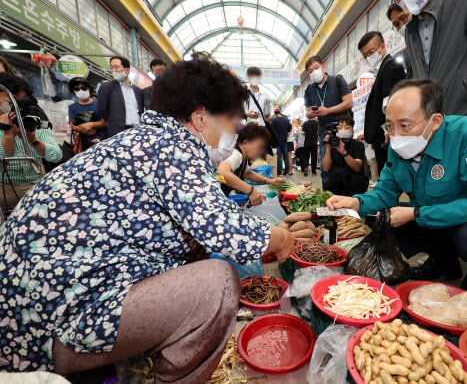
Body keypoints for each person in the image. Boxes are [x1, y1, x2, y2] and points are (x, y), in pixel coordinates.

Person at [0, 53, 295, 381]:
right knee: (218, 284)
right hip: (40, 332)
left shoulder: (147, 140)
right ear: (200, 118)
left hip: (43, 308)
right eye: (231, 122)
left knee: (196, 246)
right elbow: (225, 230)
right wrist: (280, 237)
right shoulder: (172, 149)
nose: (232, 134)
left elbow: (207, 217)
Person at [326, 79, 467, 300]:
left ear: (435, 121)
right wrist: (355, 203)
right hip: (437, 217)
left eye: (404, 125)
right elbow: (384, 193)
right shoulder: (398, 147)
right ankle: (445, 263)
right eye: (390, 125)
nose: (396, 135)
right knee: (380, 220)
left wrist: (416, 213)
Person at [0, 73, 63, 211]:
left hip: (35, 186)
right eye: (13, 99)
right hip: (3, 189)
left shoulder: (36, 123)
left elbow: (56, 156)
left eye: (24, 99)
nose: (18, 104)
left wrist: (33, 140)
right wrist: (8, 135)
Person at [358, 31, 406, 173]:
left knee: (389, 176)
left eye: (371, 52)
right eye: (365, 55)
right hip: (381, 137)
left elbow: (392, 101)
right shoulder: (381, 69)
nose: (368, 57)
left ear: (383, 47)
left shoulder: (391, 66)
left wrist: (388, 129)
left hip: (387, 137)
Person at [303, 56, 353, 187]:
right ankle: (327, 194)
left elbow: (348, 102)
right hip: (324, 130)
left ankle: (349, 194)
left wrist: (328, 110)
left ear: (323, 66)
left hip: (342, 129)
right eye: (310, 71)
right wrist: (312, 113)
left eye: (316, 68)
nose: (314, 72)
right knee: (326, 165)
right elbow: (307, 113)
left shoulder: (338, 80)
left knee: (346, 160)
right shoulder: (309, 90)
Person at [217, 122, 285, 205]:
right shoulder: (236, 154)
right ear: (246, 143)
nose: (262, 152)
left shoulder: (243, 158)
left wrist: (270, 181)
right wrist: (250, 190)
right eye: (260, 147)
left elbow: (248, 173)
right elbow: (221, 173)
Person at [97, 56, 144, 137]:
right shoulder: (106, 86)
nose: (113, 71)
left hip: (137, 131)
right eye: (111, 68)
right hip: (117, 132)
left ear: (127, 70)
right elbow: (102, 109)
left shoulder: (138, 91)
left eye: (116, 67)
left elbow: (141, 110)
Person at [322, 115, 368, 196]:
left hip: (355, 185)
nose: (343, 130)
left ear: (352, 131)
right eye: (339, 127)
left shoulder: (358, 145)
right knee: (330, 182)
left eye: (347, 127)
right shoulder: (332, 144)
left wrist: (344, 152)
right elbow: (326, 168)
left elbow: (357, 168)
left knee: (356, 180)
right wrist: (328, 148)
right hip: (336, 184)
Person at [67, 77, 107, 152]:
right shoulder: (72, 107)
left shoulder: (99, 104)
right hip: (83, 143)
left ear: (89, 89)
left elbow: (104, 122)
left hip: (101, 141)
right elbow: (72, 125)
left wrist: (90, 125)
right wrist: (83, 130)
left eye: (83, 88)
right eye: (76, 89)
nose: (80, 90)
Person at [271, 108, 292, 176]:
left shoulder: (274, 120)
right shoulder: (286, 120)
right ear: (280, 112)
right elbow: (289, 129)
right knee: (286, 157)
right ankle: (286, 172)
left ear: (275, 113)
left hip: (277, 141)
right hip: (284, 141)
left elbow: (272, 130)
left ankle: (279, 172)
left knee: (279, 157)